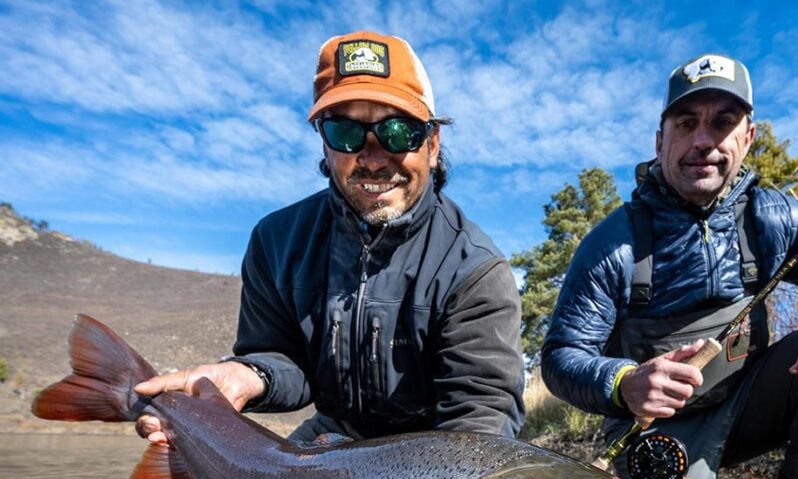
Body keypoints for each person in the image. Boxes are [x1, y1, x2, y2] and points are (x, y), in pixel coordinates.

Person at [541, 53, 798, 479]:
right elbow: (561, 357)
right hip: (656, 427)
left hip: (751, 406)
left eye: (722, 124)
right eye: (686, 124)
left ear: (747, 138)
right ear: (660, 139)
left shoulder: (776, 217)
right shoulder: (614, 242)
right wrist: (623, 381)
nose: (703, 141)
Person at [136, 31, 525, 444]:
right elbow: (284, 361)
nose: (373, 158)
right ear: (325, 145)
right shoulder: (276, 241)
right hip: (335, 436)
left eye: (398, 132)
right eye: (345, 132)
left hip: (434, 446)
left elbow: (482, 419)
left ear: (431, 143)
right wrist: (246, 375)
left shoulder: (475, 270)